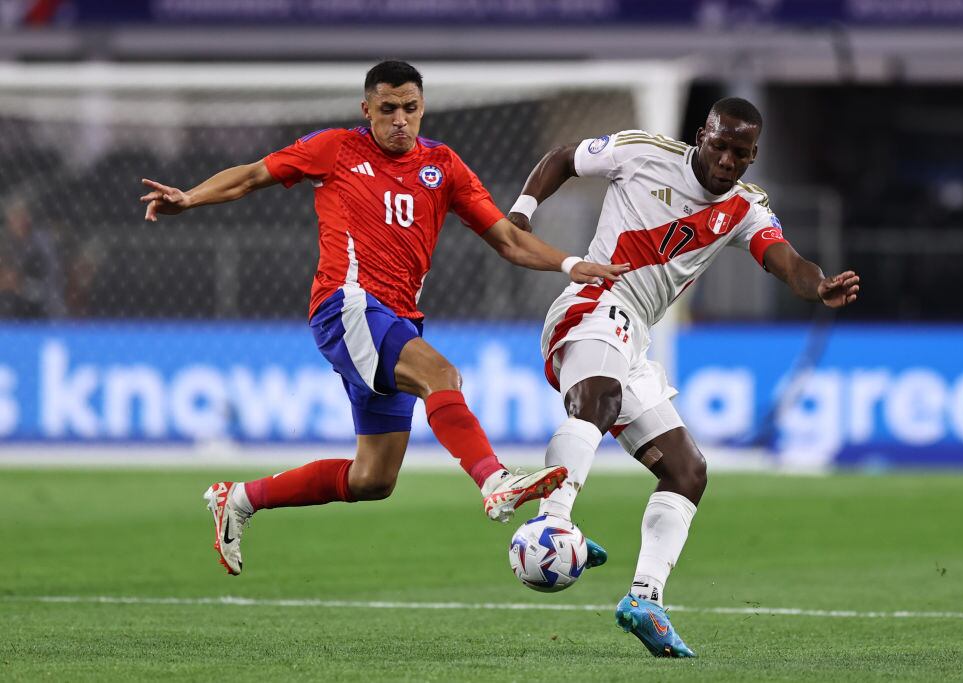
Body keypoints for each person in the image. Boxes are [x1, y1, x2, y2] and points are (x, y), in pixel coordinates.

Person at [138, 60, 628, 577]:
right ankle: (494, 481)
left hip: (396, 320)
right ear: (366, 109)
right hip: (345, 305)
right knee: (440, 375)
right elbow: (254, 175)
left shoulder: (444, 166)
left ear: (423, 109)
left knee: (373, 478)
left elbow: (507, 238)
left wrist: (573, 264)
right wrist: (189, 198)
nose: (400, 119)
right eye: (388, 108)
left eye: (410, 109)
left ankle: (237, 498)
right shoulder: (335, 148)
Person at [507, 97, 860, 657]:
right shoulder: (642, 152)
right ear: (703, 134)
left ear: (752, 156)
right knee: (597, 398)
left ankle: (645, 598)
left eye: (739, 154)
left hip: (635, 333)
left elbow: (787, 261)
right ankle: (553, 523)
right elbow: (563, 157)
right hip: (596, 302)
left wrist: (817, 286)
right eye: (719, 145)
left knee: (688, 470)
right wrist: (522, 212)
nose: (725, 161)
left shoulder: (745, 208)